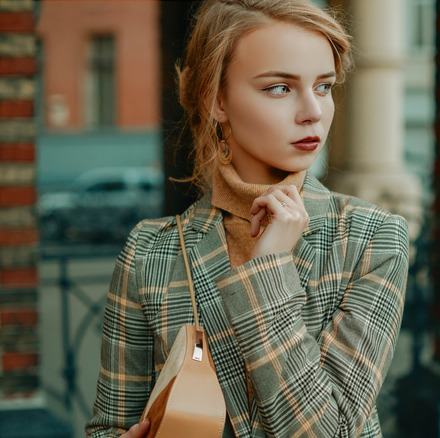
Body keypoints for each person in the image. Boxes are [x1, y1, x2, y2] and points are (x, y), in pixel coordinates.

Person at [86, 0, 409, 436]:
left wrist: (269, 270)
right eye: (279, 87)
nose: (312, 110)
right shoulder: (150, 253)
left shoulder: (372, 238)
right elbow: (110, 425)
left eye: (324, 87)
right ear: (216, 99)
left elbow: (328, 432)